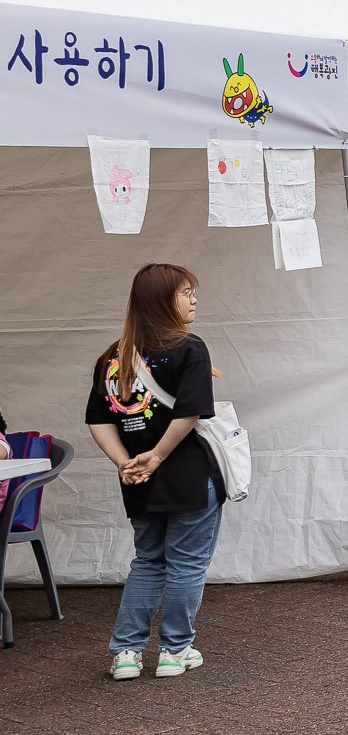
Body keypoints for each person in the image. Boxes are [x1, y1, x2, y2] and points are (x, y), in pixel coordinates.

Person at [88, 263, 224, 681]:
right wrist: (158, 455)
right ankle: (174, 650)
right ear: (163, 300)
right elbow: (190, 413)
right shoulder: (190, 347)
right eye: (186, 292)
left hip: (137, 480)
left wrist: (124, 463)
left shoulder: (113, 356)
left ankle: (126, 653)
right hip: (183, 473)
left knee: (148, 560)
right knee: (186, 563)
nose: (194, 299)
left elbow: (98, 419)